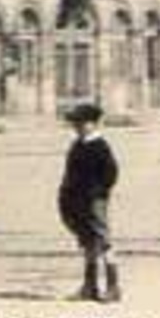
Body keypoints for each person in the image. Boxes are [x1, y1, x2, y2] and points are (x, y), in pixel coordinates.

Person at [58, 102, 121, 303]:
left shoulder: (100, 146)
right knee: (87, 242)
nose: (77, 126)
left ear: (93, 124)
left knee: (103, 240)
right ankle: (90, 286)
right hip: (76, 200)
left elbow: (111, 174)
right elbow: (70, 174)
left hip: (94, 200)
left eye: (81, 123)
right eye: (75, 123)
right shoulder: (77, 145)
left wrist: (98, 193)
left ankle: (113, 286)